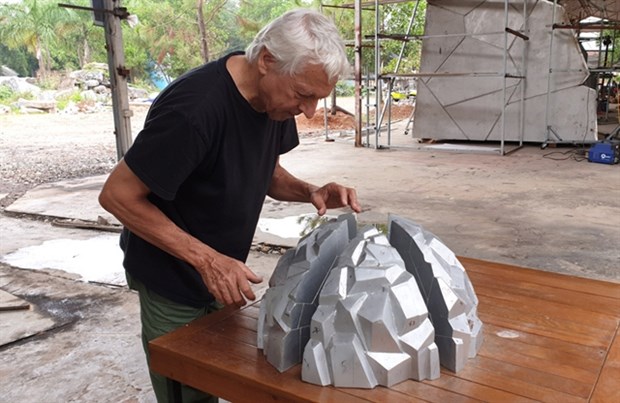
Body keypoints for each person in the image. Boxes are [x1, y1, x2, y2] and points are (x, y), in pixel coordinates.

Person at [99, 8, 361, 403]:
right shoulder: (194, 111)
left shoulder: (275, 99)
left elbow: (267, 172)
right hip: (171, 276)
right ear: (267, 61)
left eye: (316, 99)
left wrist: (310, 191)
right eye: (304, 96)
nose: (308, 111)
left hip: (222, 274)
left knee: (216, 380)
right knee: (187, 390)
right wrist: (208, 260)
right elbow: (117, 195)